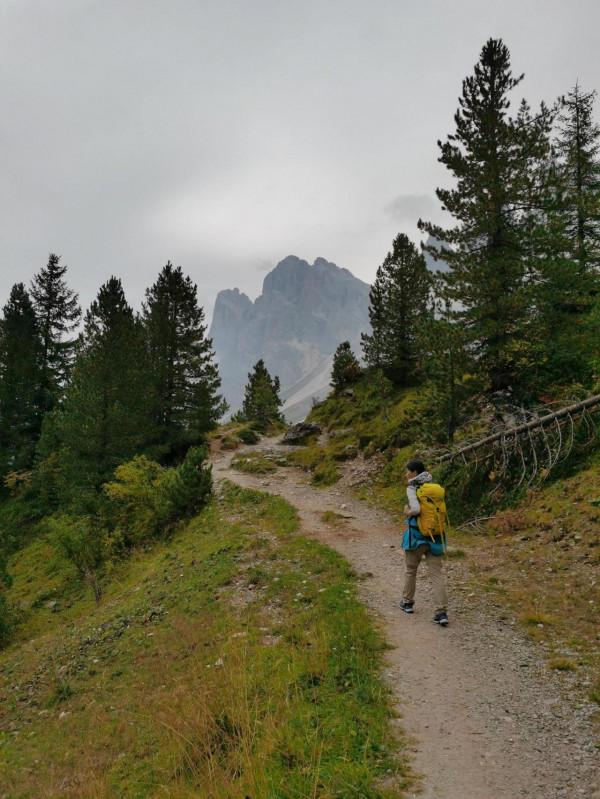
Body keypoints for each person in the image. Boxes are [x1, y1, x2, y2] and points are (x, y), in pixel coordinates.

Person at [399, 458, 448, 626]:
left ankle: (407, 603)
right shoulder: (434, 488)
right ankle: (441, 612)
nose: (406, 474)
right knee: (436, 574)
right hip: (435, 537)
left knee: (411, 570)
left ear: (414, 472)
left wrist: (407, 511)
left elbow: (416, 510)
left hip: (417, 538)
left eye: (407, 471)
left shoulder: (413, 488)